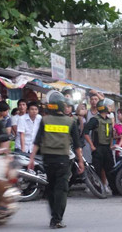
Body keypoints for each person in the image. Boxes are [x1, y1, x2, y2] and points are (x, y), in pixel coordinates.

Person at [28, 91, 84, 229]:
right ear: (62, 106)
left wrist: (31, 159)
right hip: (63, 160)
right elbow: (77, 145)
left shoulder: (45, 120)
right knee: (61, 189)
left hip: (47, 160)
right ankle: (57, 219)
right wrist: (81, 161)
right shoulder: (70, 121)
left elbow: (37, 141)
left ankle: (54, 215)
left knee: (51, 187)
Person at [83, 99, 118, 195]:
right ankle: (98, 189)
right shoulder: (95, 119)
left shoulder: (108, 120)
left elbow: (111, 134)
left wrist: (111, 144)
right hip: (98, 148)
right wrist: (92, 145)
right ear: (104, 107)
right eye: (109, 106)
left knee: (110, 170)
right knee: (97, 170)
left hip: (107, 148)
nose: (111, 108)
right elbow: (85, 132)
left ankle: (115, 189)